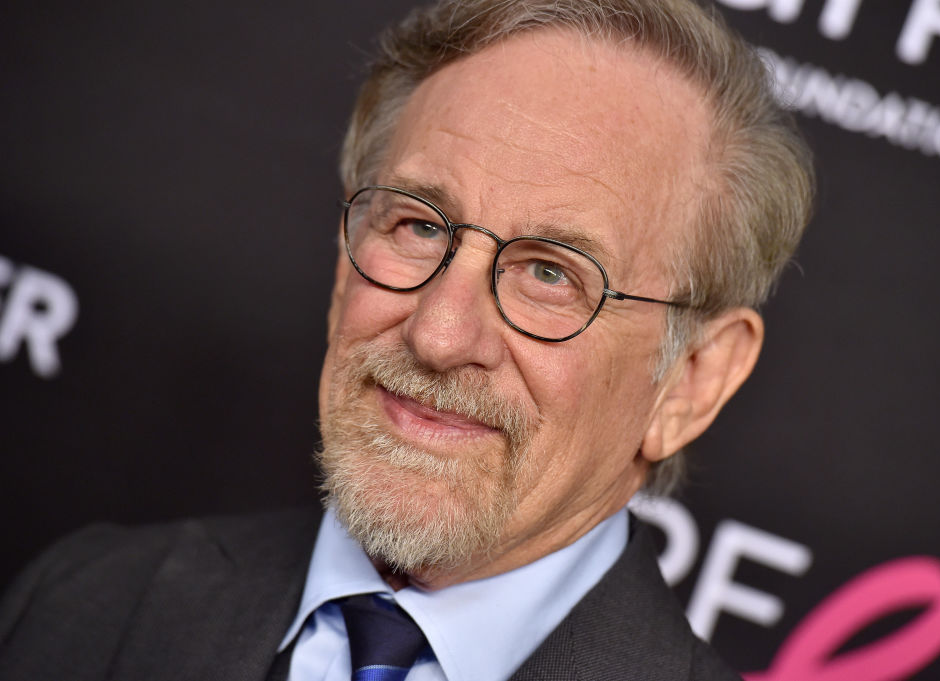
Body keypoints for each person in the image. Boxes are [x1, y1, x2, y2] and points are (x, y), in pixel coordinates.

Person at [0, 0, 813, 679]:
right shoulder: (84, 603)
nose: (439, 332)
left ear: (692, 380)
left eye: (551, 273)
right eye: (420, 226)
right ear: (343, 262)